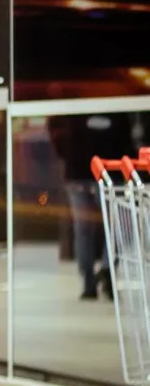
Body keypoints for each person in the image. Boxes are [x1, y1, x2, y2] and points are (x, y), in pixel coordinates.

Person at [48, 113, 131, 301]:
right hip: (111, 169)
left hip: (78, 170)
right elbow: (125, 135)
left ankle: (88, 283)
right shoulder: (115, 97)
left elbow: (56, 130)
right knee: (116, 225)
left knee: (83, 229)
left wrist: (68, 152)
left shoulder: (74, 97)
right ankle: (108, 269)